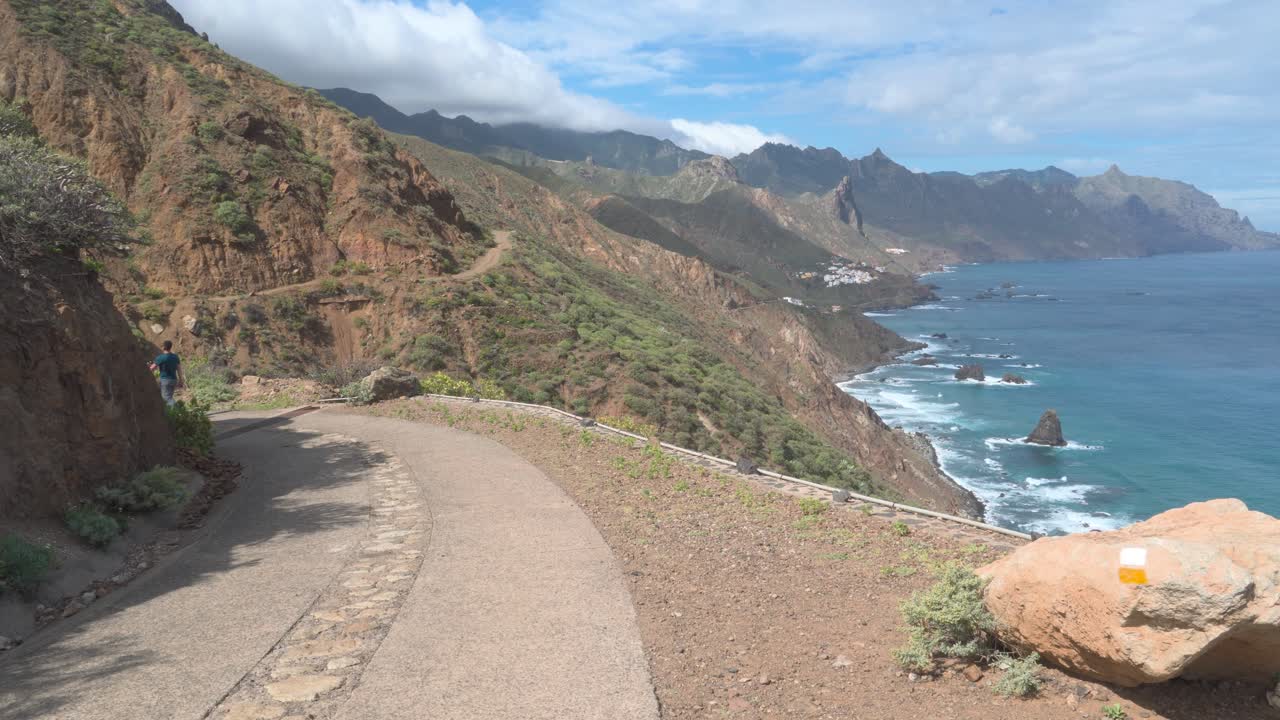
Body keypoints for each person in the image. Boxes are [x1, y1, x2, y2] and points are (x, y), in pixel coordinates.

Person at [151, 341, 184, 406]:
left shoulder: (161, 357)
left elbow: (152, 368)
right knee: (169, 396)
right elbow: (179, 369)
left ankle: (177, 410)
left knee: (167, 398)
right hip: (174, 380)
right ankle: (170, 412)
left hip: (165, 381)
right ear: (170, 347)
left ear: (163, 347)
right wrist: (181, 380)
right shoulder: (175, 357)